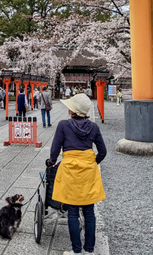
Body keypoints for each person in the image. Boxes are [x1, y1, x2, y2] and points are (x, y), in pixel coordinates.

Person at [47, 94, 107, 255]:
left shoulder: (63, 125)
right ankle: (89, 251)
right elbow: (103, 151)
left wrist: (51, 162)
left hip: (70, 171)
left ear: (73, 110)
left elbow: (54, 150)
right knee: (89, 212)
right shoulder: (93, 127)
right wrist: (92, 162)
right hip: (88, 171)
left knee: (72, 212)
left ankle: (76, 251)